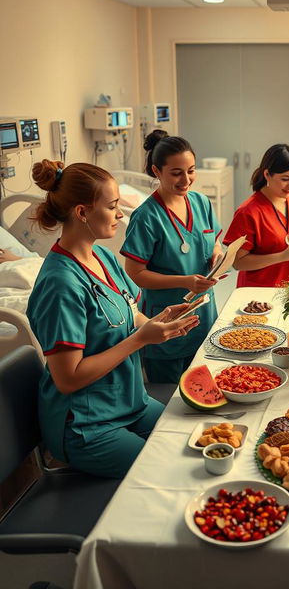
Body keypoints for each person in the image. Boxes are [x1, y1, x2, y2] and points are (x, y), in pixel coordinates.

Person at [26, 160, 199, 478]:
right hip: (86, 425)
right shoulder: (60, 285)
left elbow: (129, 313)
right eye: (113, 206)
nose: (120, 215)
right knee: (170, 471)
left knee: (190, 442)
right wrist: (139, 340)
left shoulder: (101, 257)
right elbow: (68, 379)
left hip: (131, 403)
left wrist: (158, 322)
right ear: (82, 213)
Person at [121, 130, 224, 384]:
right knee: (171, 405)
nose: (186, 179)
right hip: (166, 320)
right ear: (157, 171)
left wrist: (217, 257)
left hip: (204, 312)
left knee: (205, 386)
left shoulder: (201, 202)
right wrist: (185, 281)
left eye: (191, 170)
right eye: (176, 173)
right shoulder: (146, 217)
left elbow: (215, 243)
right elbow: (136, 274)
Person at [224, 143, 289, 287]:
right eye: (285, 179)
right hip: (259, 294)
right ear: (267, 174)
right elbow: (238, 263)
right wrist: (282, 256)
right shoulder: (248, 212)